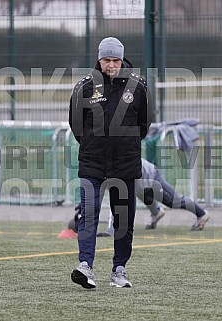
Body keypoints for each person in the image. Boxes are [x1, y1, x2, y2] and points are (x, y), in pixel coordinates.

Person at [68, 37, 152, 289]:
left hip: (126, 164)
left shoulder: (138, 86)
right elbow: (76, 124)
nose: (112, 64)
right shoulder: (84, 87)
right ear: (99, 59)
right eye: (107, 60)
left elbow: (144, 125)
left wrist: (124, 146)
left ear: (122, 59)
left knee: (123, 219)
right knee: (89, 214)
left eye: (116, 60)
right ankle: (85, 266)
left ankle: (119, 269)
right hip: (92, 163)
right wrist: (94, 145)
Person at [65, 158, 210, 236]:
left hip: (150, 177)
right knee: (142, 195)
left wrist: (110, 230)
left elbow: (117, 205)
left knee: (173, 201)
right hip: (137, 182)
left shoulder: (115, 168)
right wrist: (82, 204)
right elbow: (97, 191)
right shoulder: (104, 167)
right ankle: (156, 213)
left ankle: (201, 214)